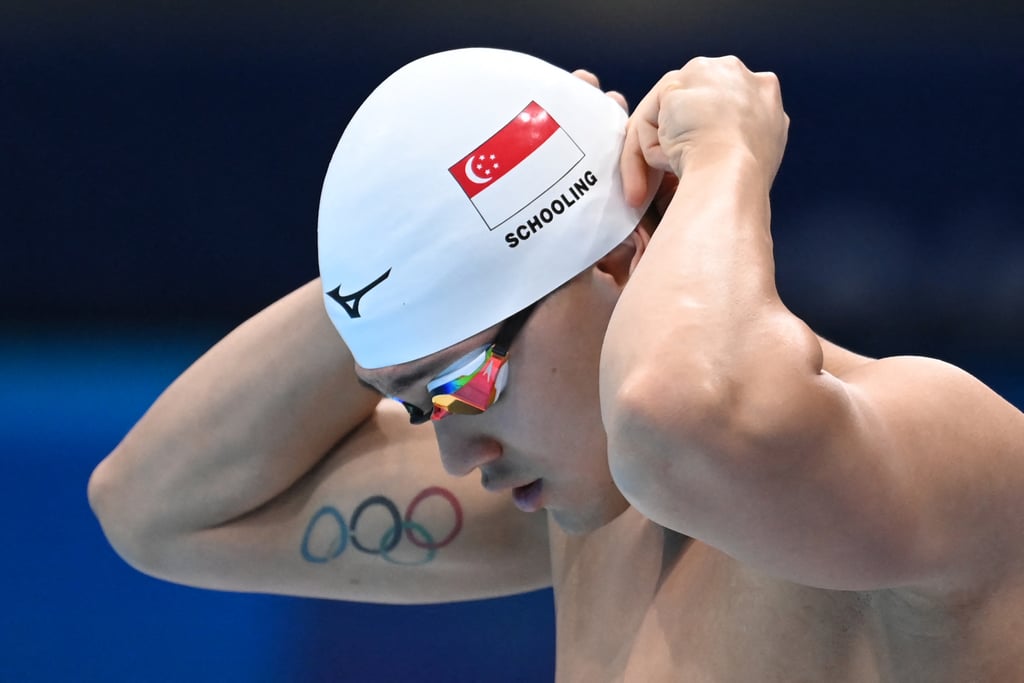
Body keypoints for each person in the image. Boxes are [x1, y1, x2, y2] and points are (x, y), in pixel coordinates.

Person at [89, 48, 1024, 680]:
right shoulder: (597, 510)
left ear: (619, 262)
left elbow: (682, 412)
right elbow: (154, 510)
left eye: (458, 384)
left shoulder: (932, 444)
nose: (457, 456)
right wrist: (413, 256)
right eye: (417, 405)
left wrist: (722, 161)